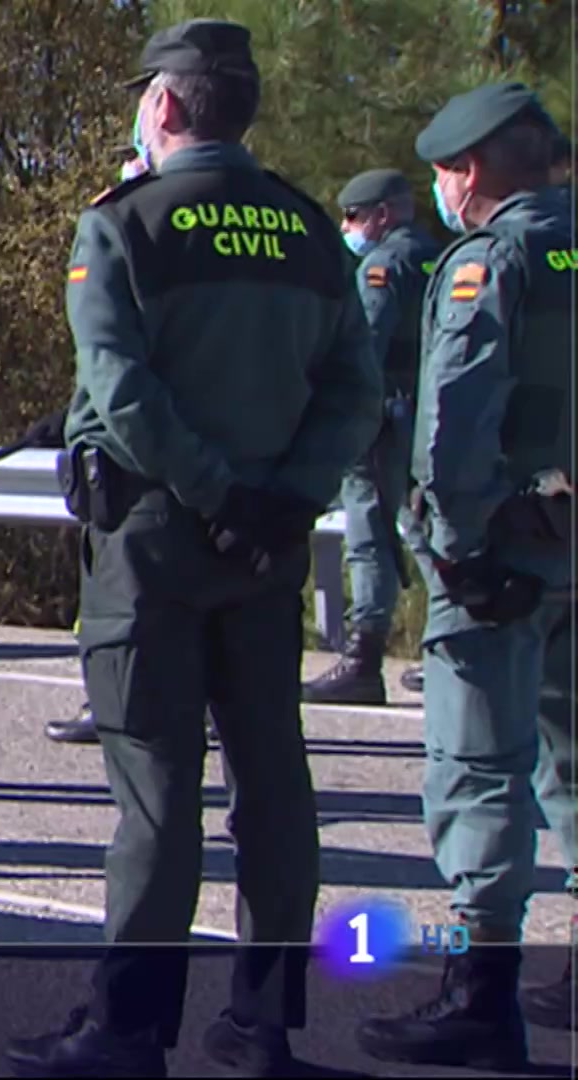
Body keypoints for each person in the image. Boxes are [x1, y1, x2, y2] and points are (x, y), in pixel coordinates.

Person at [5, 21, 381, 1077]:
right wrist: (281, 500)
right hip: (268, 548)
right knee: (273, 781)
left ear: (164, 106)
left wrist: (215, 494)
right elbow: (357, 395)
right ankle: (263, 1026)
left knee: (158, 791)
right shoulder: (309, 231)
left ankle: (128, 1032)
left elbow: (122, 392)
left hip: (159, 542)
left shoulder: (126, 225)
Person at [357, 86, 575, 1068]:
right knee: (572, 757)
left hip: (506, 550)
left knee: (481, 764)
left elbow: (453, 419)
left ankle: (482, 993)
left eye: (446, 173)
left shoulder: (492, 260)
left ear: (471, 171)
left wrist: (454, 545)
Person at [300, 169, 443, 704]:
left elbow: (366, 351)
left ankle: (363, 658)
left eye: (355, 217)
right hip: (427, 415)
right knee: (424, 527)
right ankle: (450, 647)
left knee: (371, 535)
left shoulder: (382, 267)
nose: (348, 227)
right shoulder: (440, 257)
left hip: (381, 418)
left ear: (382, 215)